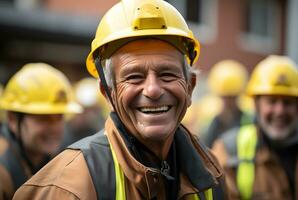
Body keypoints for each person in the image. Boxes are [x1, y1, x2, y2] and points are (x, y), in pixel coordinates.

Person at [13, 0, 226, 199]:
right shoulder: (67, 187)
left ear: (190, 87)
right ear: (107, 93)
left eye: (167, 74)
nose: (152, 90)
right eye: (134, 77)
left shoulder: (211, 172)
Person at [212, 55, 298, 199]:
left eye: (288, 102)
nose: (280, 111)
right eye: (271, 101)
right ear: (256, 105)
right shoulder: (228, 150)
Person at [0, 63, 82, 200]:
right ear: (12, 119)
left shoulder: (44, 158)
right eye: (43, 118)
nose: (55, 127)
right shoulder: (3, 170)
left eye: (59, 117)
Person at [204, 60, 252, 148]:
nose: (229, 102)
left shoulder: (249, 120)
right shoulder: (212, 121)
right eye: (226, 97)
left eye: (233, 97)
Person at [61, 77, 109, 149]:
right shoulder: (63, 135)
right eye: (84, 110)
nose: (88, 115)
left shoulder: (104, 132)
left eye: (93, 110)